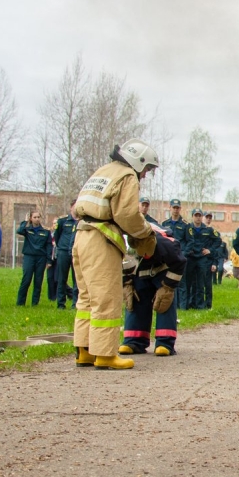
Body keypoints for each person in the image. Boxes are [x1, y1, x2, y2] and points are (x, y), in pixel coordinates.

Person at [72, 139, 159, 370]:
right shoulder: (127, 176)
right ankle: (105, 354)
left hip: (81, 235)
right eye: (147, 169)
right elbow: (127, 215)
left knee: (87, 298)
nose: (145, 175)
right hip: (102, 238)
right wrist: (146, 232)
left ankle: (85, 351)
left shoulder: (103, 171)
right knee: (107, 298)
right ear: (138, 162)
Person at [119, 222, 187, 357]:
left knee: (164, 301)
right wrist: (126, 284)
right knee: (135, 298)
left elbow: (179, 264)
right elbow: (119, 266)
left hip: (163, 268)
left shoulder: (169, 245)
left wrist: (168, 286)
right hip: (138, 269)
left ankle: (164, 342)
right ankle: (134, 341)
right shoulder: (123, 246)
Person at [15, 211, 52, 306]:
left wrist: (49, 261)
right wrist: (25, 221)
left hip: (41, 258)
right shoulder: (27, 230)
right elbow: (19, 231)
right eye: (34, 217)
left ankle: (35, 303)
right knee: (26, 279)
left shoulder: (45, 231)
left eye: (38, 217)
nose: (37, 219)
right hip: (29, 257)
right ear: (31, 218)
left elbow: (48, 246)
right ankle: (20, 303)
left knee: (38, 281)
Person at [160, 199, 188, 307]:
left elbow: (190, 241)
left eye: (177, 208)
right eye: (174, 207)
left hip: (180, 257)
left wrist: (184, 253)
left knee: (182, 282)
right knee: (169, 281)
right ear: (170, 208)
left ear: (180, 209)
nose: (176, 210)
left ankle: (183, 306)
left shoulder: (185, 225)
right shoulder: (164, 224)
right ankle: (172, 304)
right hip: (169, 257)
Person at [182, 208, 210, 309]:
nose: (198, 217)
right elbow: (184, 240)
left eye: (199, 215)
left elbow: (217, 241)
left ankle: (200, 305)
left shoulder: (207, 229)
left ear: (202, 217)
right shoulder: (188, 227)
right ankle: (189, 303)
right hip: (191, 257)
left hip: (202, 258)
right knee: (189, 282)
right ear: (192, 216)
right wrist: (186, 251)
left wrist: (209, 250)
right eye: (196, 215)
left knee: (200, 282)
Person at [53, 201, 79, 309]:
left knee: (77, 279)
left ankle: (75, 303)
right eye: (75, 206)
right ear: (71, 208)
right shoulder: (62, 221)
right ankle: (60, 303)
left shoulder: (82, 222)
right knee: (61, 278)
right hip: (63, 252)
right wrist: (62, 247)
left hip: (76, 252)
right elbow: (57, 236)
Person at [202, 211, 219, 299]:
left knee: (208, 284)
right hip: (198, 259)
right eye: (207, 217)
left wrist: (214, 262)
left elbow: (217, 245)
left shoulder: (212, 231)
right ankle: (198, 303)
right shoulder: (196, 229)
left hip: (208, 260)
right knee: (197, 284)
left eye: (210, 218)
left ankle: (208, 304)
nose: (208, 219)